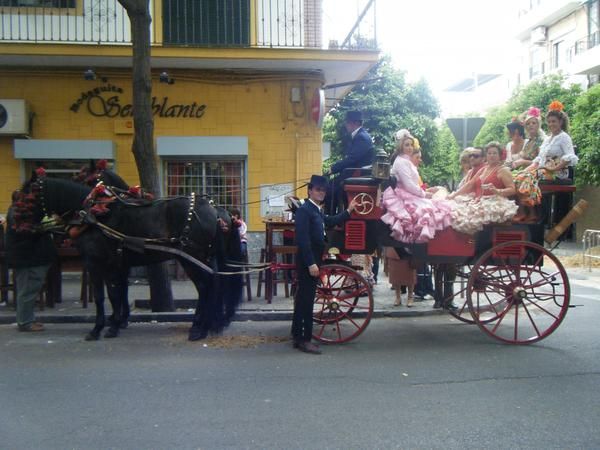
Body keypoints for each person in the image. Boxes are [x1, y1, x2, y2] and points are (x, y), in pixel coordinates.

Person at [292, 175, 356, 354]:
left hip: (313, 259)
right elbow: (302, 240)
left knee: (302, 300)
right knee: (306, 302)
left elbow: (329, 221)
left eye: (323, 190)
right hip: (308, 260)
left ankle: (297, 335)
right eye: (318, 189)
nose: (321, 193)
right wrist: (311, 263)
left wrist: (348, 212)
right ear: (310, 191)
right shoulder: (305, 211)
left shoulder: (316, 210)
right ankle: (305, 340)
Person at [381, 129, 453, 243]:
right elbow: (408, 185)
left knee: (437, 207)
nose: (410, 147)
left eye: (411, 145)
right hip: (405, 196)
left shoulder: (406, 160)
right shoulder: (401, 162)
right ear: (401, 146)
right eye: (406, 145)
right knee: (431, 211)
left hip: (410, 194)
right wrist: (424, 194)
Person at [5, 191, 57, 332]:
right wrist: (45, 227)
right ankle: (25, 322)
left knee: (29, 289)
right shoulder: (19, 215)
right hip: (28, 258)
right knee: (28, 290)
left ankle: (28, 319)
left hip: (30, 258)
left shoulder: (19, 213)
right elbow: (27, 232)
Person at [448, 142, 518, 234]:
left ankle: (478, 244)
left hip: (494, 203)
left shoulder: (503, 170)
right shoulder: (483, 169)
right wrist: (454, 195)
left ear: (500, 155)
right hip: (478, 201)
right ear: (486, 156)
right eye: (489, 153)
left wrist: (497, 191)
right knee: (455, 212)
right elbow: (470, 184)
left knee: (469, 220)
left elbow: (512, 190)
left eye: (494, 153)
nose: (491, 155)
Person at [326, 110, 374, 213]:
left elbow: (352, 159)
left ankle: (332, 219)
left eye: (347, 122)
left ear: (355, 123)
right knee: (330, 184)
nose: (346, 125)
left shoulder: (362, 137)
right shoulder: (359, 136)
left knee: (330, 187)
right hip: (353, 172)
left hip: (358, 173)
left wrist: (333, 168)